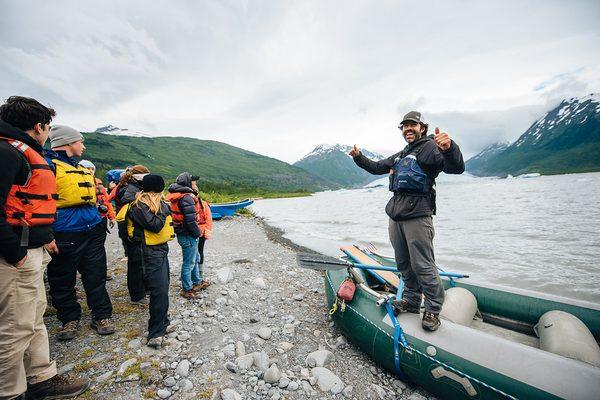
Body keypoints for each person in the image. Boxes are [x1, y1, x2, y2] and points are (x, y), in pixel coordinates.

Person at [0, 96, 89, 399]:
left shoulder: (22, 153)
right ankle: (9, 393)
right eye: (47, 127)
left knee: (33, 318)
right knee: (14, 328)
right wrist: (16, 253)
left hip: (31, 247)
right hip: (15, 257)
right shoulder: (7, 153)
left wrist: (44, 236)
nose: (48, 133)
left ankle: (40, 378)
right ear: (38, 126)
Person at [349, 111, 464, 331]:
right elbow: (376, 167)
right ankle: (411, 301)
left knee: (423, 264)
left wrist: (450, 148)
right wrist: (358, 157)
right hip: (397, 215)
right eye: (404, 126)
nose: (408, 129)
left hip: (418, 215)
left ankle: (432, 308)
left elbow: (455, 167)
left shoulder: (430, 147)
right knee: (403, 263)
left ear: (422, 127)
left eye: (413, 125)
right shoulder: (403, 154)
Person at [45, 125, 115, 340]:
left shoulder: (80, 168)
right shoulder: (49, 167)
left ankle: (101, 315)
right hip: (64, 232)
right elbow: (41, 204)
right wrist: (47, 235)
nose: (83, 146)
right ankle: (68, 318)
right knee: (62, 278)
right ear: (67, 143)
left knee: (96, 273)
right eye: (79, 142)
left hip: (92, 230)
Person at [116, 174, 173, 348]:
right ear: (158, 189)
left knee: (164, 288)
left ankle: (163, 322)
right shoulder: (138, 206)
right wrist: (164, 210)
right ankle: (155, 333)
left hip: (160, 250)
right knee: (158, 291)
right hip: (148, 252)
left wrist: (163, 207)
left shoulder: (156, 204)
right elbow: (154, 226)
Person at [114, 165, 150, 305]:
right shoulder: (128, 188)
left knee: (141, 261)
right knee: (136, 264)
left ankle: (143, 289)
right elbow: (126, 200)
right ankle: (137, 295)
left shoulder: (128, 185)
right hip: (131, 230)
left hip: (133, 229)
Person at [166, 172, 204, 299]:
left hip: (182, 233)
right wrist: (197, 233)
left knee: (195, 258)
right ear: (187, 183)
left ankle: (197, 282)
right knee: (189, 262)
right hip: (188, 234)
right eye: (193, 182)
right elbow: (190, 220)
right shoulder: (186, 197)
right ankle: (186, 289)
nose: (195, 184)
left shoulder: (177, 196)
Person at [79, 159, 116, 280]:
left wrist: (111, 217)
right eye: (87, 168)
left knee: (98, 248)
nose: (90, 171)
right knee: (84, 247)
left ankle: (101, 273)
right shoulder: (76, 182)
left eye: (91, 169)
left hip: (100, 219)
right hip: (84, 220)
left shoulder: (99, 184)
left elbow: (106, 201)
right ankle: (86, 272)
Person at [194, 181, 213, 290]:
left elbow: (208, 219)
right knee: (196, 253)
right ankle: (197, 274)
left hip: (200, 232)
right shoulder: (202, 203)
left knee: (198, 252)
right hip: (196, 232)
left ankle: (199, 274)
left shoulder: (203, 204)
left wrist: (206, 233)